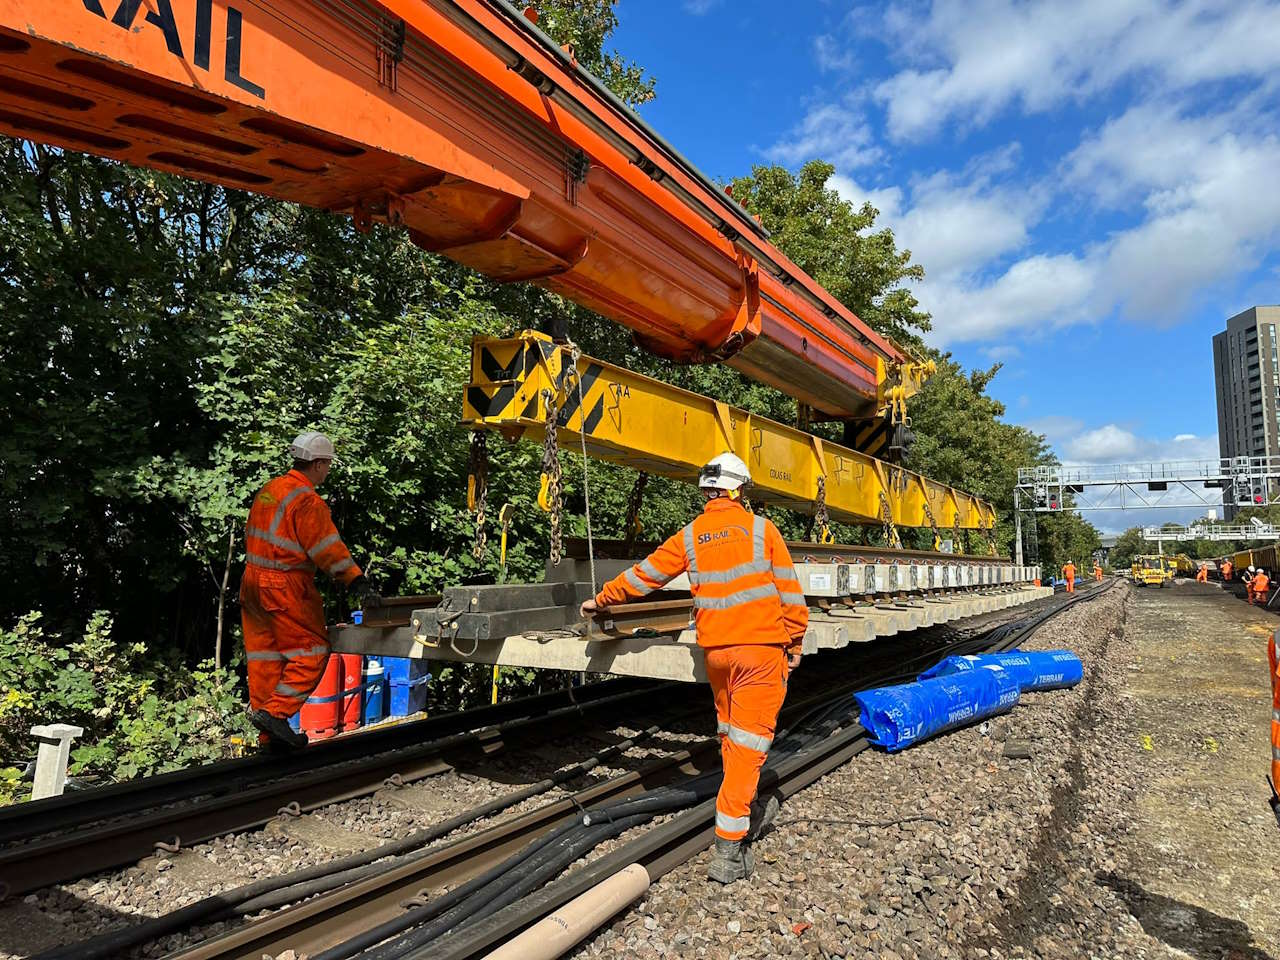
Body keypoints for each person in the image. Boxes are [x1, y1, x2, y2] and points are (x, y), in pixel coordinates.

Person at [580, 452, 807, 883]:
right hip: (760, 652)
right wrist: (794, 641)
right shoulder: (763, 530)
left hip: (718, 654)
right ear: (741, 489)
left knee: (733, 736)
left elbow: (644, 576)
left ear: (707, 491)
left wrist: (602, 599)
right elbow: (790, 595)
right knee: (750, 744)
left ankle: (747, 803)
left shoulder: (691, 537)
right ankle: (728, 848)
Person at [240, 432, 379, 750]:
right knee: (312, 651)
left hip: (251, 583)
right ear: (317, 464)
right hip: (284, 585)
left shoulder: (270, 490)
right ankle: (276, 714)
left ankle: (268, 734)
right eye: (327, 464)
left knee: (265, 658)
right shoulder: (307, 501)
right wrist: (356, 581)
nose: (328, 470)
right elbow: (326, 548)